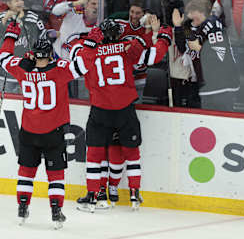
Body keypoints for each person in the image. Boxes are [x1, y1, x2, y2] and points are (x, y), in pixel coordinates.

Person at [71, 19, 172, 211]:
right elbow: (155, 56)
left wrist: (90, 41)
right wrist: (165, 34)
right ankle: (134, 195)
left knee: (94, 154)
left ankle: (93, 196)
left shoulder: (87, 52)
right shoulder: (127, 48)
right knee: (132, 153)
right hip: (125, 110)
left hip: (100, 110)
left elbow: (76, 58)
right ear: (118, 34)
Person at [0, 22, 85, 229]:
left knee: (26, 171)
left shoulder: (22, 69)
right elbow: (82, 66)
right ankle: (56, 211)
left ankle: (22, 207)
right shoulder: (60, 70)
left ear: (33, 54)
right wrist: (85, 44)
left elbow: (2, 58)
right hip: (53, 132)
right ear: (50, 54)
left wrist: (10, 35)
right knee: (56, 175)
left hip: (28, 130)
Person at [173, 0, 239, 111]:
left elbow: (220, 55)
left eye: (191, 14)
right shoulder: (194, 27)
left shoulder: (213, 24)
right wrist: (179, 27)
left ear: (199, 11)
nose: (189, 18)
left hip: (222, 85)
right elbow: (184, 49)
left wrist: (199, 48)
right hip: (205, 85)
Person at [0, 0, 46, 93]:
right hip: (6, 70)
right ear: (8, 3)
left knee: (26, 100)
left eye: (21, 0)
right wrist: (5, 19)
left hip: (26, 69)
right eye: (16, 0)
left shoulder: (33, 18)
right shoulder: (1, 17)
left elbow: (43, 37)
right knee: (6, 101)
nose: (20, 3)